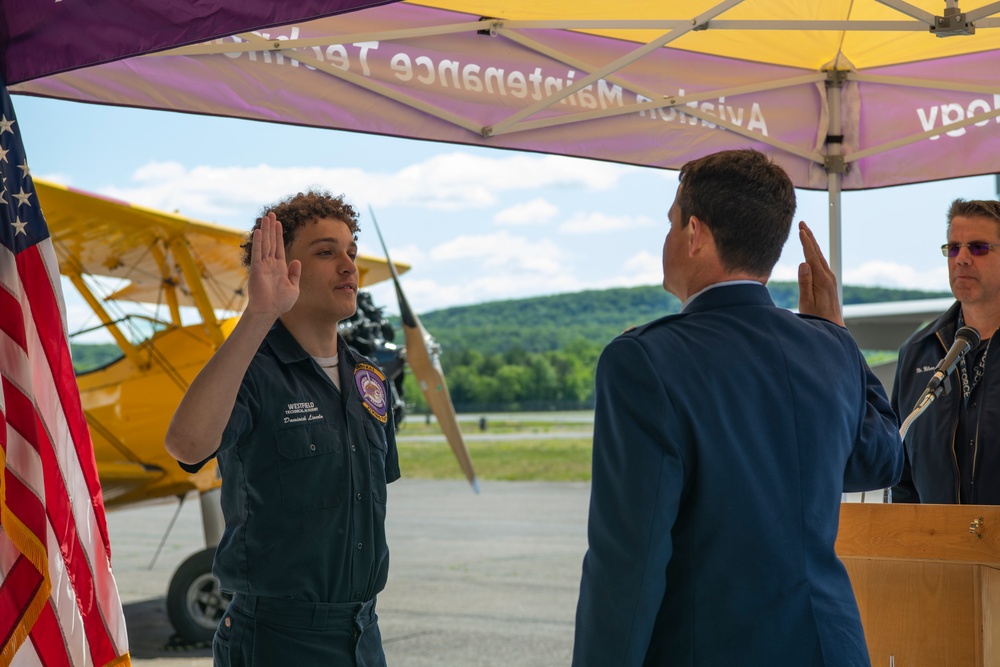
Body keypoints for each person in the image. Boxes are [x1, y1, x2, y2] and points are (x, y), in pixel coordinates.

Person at [571, 149, 903, 666]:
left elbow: (627, 563)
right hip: (832, 648)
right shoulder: (828, 346)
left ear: (695, 234)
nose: (666, 241)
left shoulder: (644, 359)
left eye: (671, 224)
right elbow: (879, 461)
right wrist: (838, 336)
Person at [164, 190, 399, 666]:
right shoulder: (251, 371)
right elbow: (186, 444)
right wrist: (259, 314)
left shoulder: (368, 379)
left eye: (351, 251)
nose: (349, 266)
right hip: (277, 640)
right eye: (326, 252)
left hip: (362, 634)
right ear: (283, 269)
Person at [891, 199, 1000, 504]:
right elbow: (901, 478)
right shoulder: (916, 353)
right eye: (953, 248)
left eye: (978, 247)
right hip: (934, 548)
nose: (962, 259)